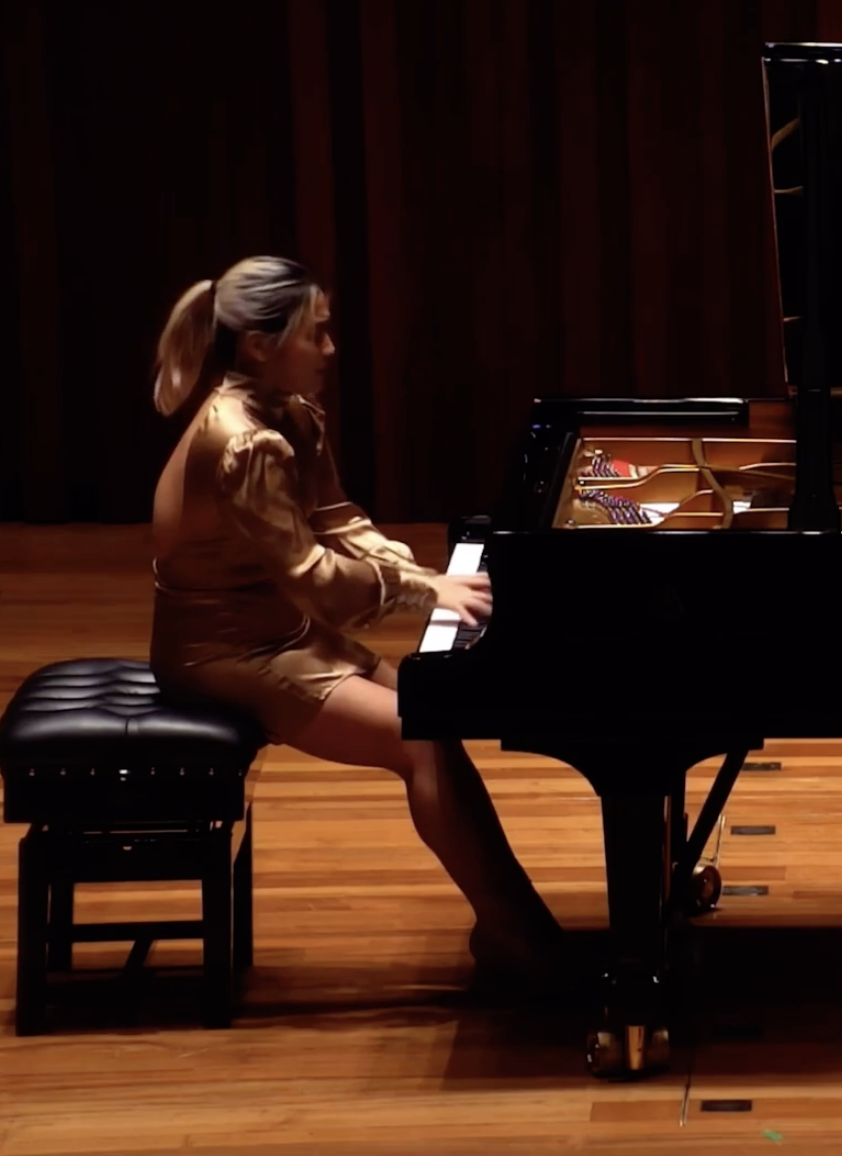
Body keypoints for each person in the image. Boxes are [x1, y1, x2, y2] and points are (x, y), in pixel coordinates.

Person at [146, 256, 570, 989]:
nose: (332, 349)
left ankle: (513, 927)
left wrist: (424, 578)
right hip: (227, 653)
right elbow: (317, 581)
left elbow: (341, 523)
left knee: (434, 718)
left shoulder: (285, 412)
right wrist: (422, 592)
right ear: (259, 345)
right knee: (424, 749)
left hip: (277, 633)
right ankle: (522, 941)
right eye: (318, 333)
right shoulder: (244, 440)